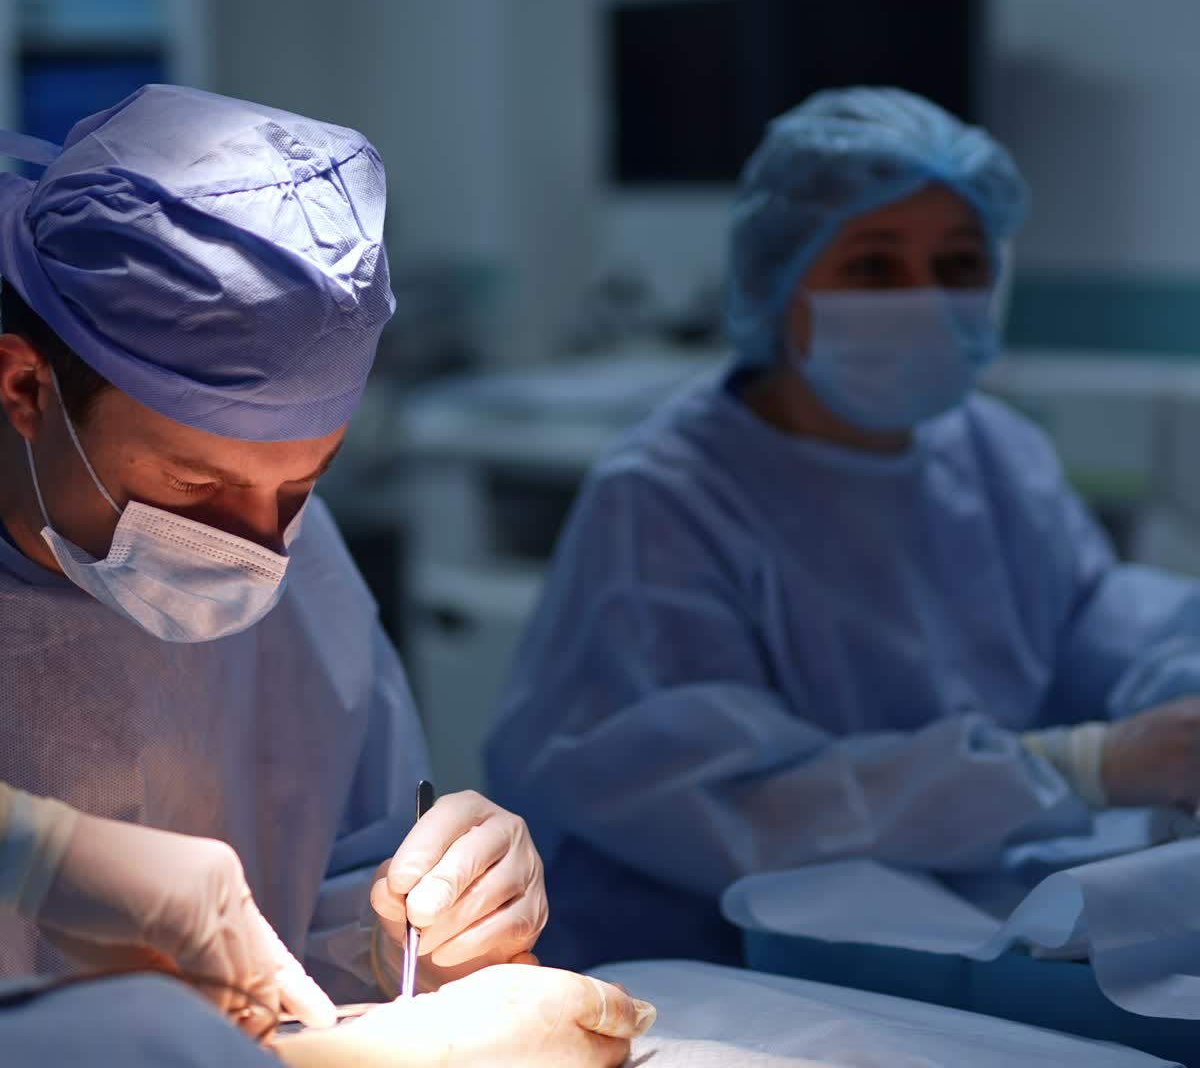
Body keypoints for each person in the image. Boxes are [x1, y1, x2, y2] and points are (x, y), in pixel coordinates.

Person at [486, 86, 1200, 970]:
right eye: (873, 268)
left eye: (960, 265)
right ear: (780, 284)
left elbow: (1101, 621)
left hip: (951, 928)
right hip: (719, 961)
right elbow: (736, 805)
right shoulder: (668, 499)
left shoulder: (994, 452)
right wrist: (1084, 766)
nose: (926, 301)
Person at [0, 86, 547, 1005]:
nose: (258, 547)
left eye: (302, 482)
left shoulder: (301, 550)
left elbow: (332, 899)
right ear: (27, 389)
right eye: (195, 485)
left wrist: (418, 935)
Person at [0, 745, 654, 1067]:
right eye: (194, 480)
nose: (256, 531)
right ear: (30, 412)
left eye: (302, 486)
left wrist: (406, 943)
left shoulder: (307, 570)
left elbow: (348, 858)